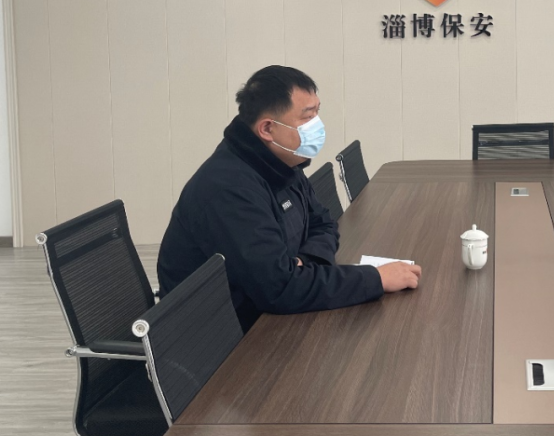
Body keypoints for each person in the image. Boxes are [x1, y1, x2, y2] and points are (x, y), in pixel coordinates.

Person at [158, 65, 421, 331]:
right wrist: (375, 279)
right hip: (223, 338)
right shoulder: (228, 188)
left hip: (266, 315)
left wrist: (304, 263)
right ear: (267, 128)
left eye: (317, 112)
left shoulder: (279, 161)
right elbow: (280, 289)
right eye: (307, 117)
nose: (317, 125)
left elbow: (324, 224)